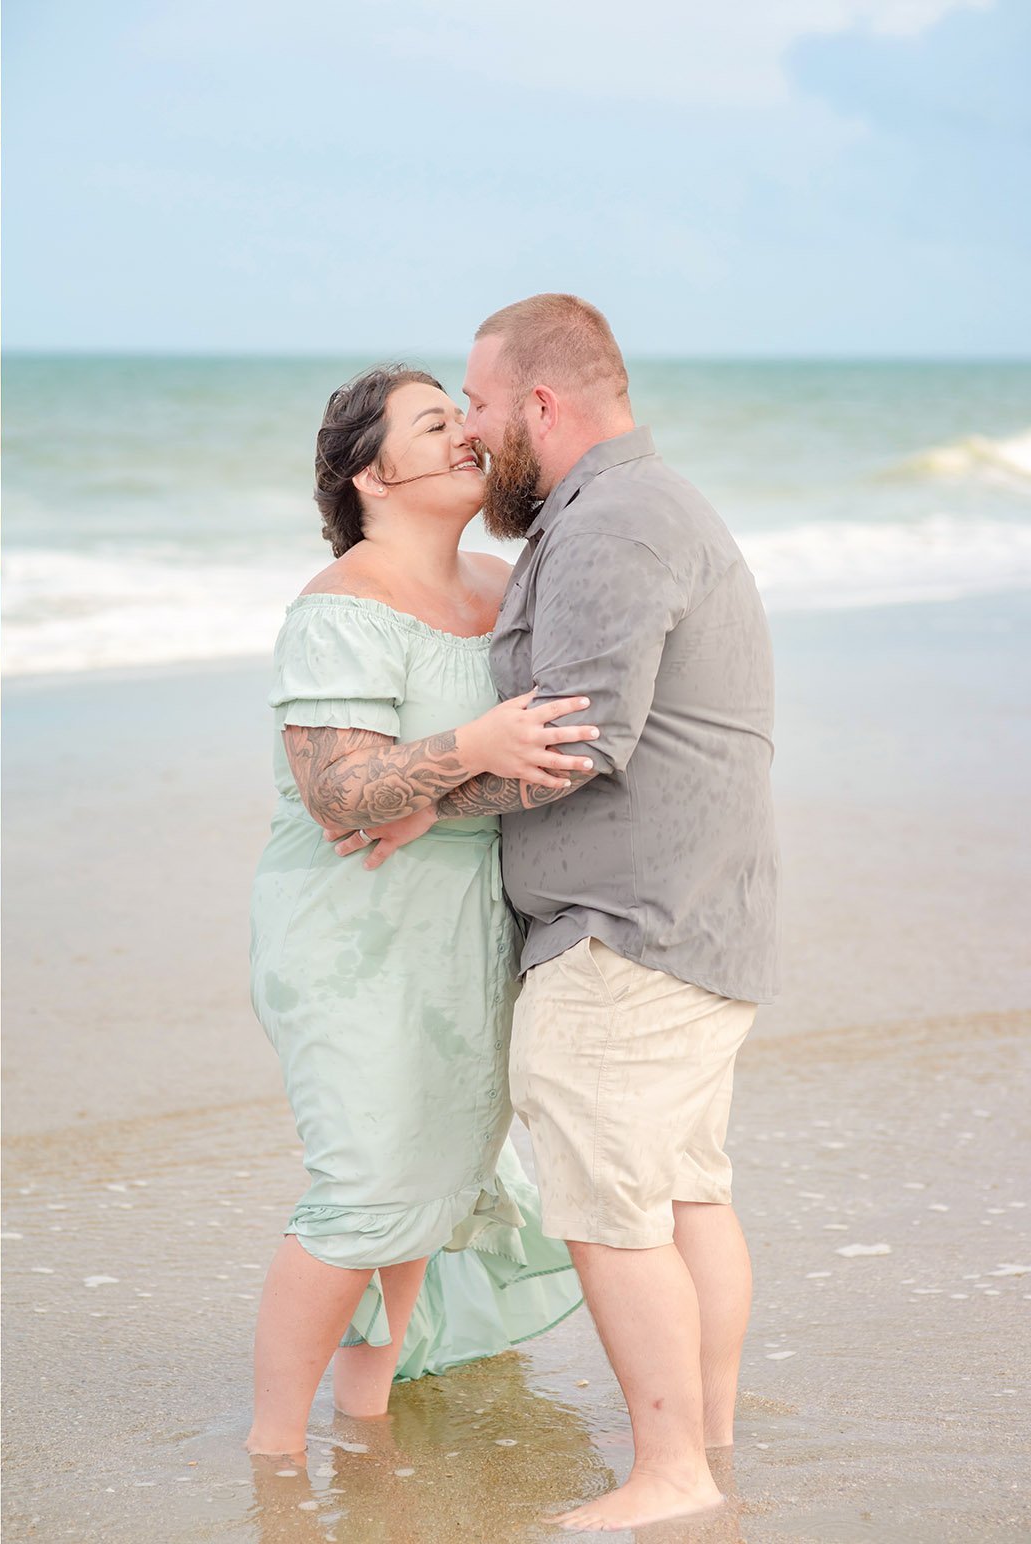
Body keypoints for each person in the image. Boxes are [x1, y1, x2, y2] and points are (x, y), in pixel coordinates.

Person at [346, 295, 776, 1531]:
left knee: (608, 1198)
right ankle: (706, 1438)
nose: (472, 435)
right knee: (685, 1185)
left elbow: (580, 731)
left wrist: (428, 793)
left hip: (623, 924)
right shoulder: (639, 507)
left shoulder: (614, 521)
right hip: (696, 918)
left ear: (540, 402)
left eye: (477, 405)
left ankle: (669, 1470)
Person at [245, 365, 589, 1457]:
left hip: (467, 928)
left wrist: (463, 774)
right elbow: (337, 793)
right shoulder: (338, 605)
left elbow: (549, 753)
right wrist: (468, 748)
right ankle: (270, 1450)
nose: (462, 438)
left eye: (461, 419)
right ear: (366, 472)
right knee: (362, 1180)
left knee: (428, 1183)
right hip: (351, 927)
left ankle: (364, 1418)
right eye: (431, 424)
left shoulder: (496, 584)